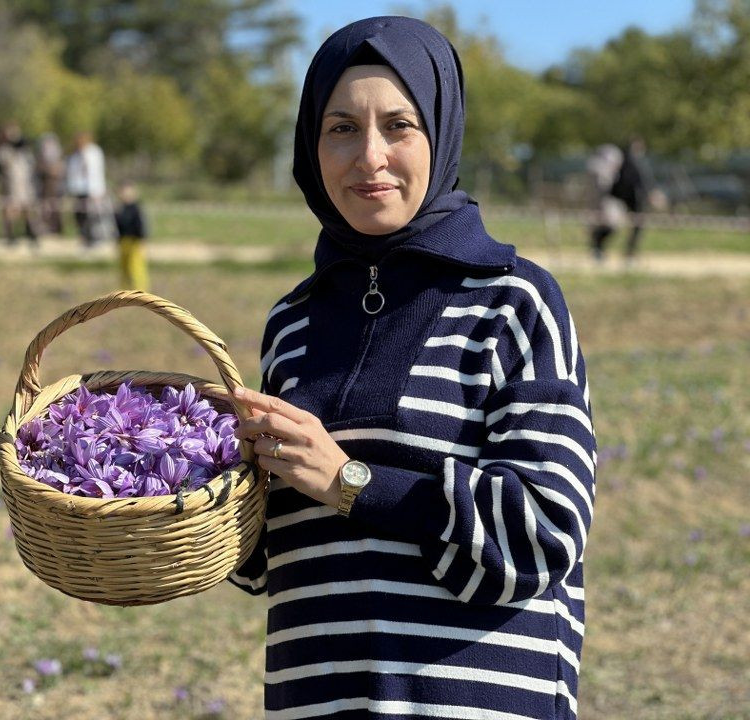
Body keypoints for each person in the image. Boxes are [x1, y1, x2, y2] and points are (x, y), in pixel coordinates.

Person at [228, 17, 596, 720]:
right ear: (310, 144)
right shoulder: (293, 323)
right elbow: (279, 559)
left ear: (441, 132)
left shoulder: (514, 302)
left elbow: (544, 531)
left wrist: (350, 481)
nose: (369, 155)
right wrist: (208, 487)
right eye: (341, 128)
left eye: (398, 125)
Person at [593, 138, 655, 264]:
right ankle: (598, 245)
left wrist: (649, 193)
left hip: (633, 198)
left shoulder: (639, 162)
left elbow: (641, 182)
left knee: (638, 225)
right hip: (617, 197)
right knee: (611, 225)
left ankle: (630, 254)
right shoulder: (622, 158)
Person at [0, 121, 40, 248]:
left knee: (28, 211)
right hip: (11, 187)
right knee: (10, 212)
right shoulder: (4, 150)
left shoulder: (25, 152)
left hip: (25, 186)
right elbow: (2, 162)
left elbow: (31, 166)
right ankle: (10, 236)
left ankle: (31, 235)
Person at [65, 131, 115, 248]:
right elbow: (73, 173)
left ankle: (96, 239)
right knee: (80, 216)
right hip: (79, 190)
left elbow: (96, 172)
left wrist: (98, 190)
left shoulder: (94, 153)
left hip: (93, 190)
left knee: (94, 216)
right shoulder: (75, 155)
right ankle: (83, 239)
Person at [587, 143, 625, 263]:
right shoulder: (598, 169)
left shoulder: (611, 171)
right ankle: (597, 249)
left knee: (611, 226)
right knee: (599, 226)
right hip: (600, 202)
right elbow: (600, 188)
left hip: (608, 202)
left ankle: (598, 248)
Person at [113, 180, 149, 290]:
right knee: (124, 268)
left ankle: (141, 291)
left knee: (136, 267)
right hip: (123, 241)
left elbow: (141, 226)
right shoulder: (120, 209)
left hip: (135, 241)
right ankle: (124, 292)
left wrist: (142, 241)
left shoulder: (136, 208)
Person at [35, 132, 65, 235]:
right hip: (44, 186)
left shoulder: (59, 156)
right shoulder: (40, 157)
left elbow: (60, 169)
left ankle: (56, 230)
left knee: (55, 208)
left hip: (56, 187)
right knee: (44, 209)